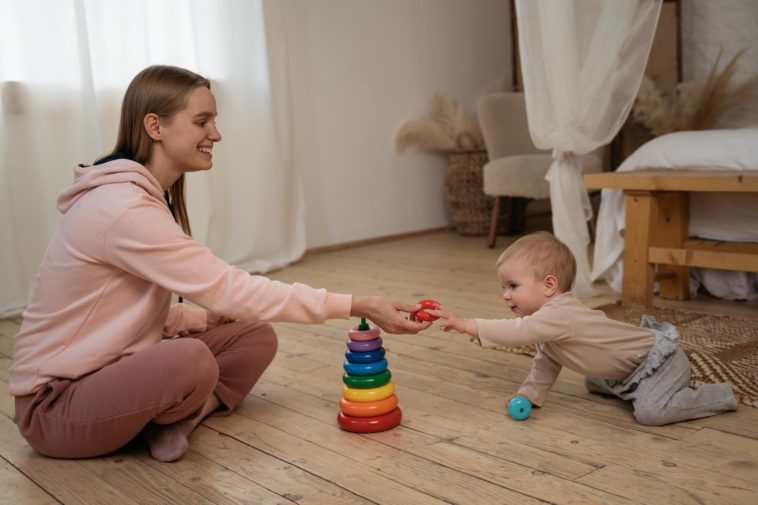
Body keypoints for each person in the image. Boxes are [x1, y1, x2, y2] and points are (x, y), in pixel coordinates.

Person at [10, 65, 431, 462]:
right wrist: (359, 304)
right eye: (202, 122)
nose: (217, 134)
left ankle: (178, 420)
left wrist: (198, 322)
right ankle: (161, 419)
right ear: (155, 126)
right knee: (191, 360)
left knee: (253, 334)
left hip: (108, 371)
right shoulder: (122, 208)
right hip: (55, 407)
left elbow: (114, 314)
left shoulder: (139, 199)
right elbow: (229, 288)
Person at [427, 231, 737, 426]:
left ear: (549, 285)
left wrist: (467, 324)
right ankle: (631, 389)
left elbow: (518, 331)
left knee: (651, 414)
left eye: (513, 285)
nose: (504, 294)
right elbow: (544, 366)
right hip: (626, 370)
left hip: (660, 362)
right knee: (592, 381)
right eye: (503, 286)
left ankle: (717, 396)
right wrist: (529, 395)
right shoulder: (548, 326)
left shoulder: (558, 314)